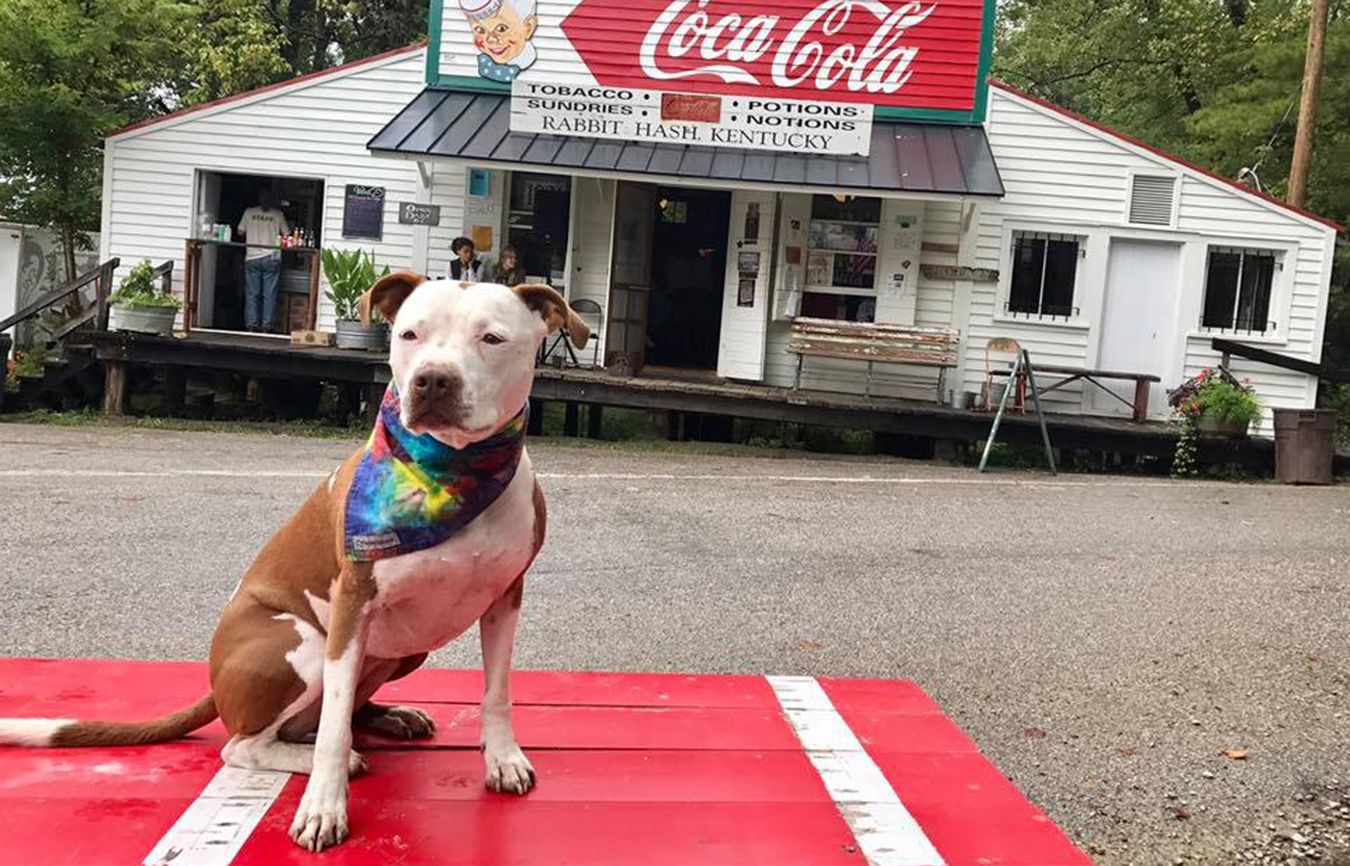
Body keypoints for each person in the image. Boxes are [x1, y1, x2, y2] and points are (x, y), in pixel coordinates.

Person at [237, 190, 289, 332]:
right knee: (269, 294)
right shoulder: (278, 215)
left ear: (259, 199)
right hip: (271, 257)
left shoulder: (249, 212)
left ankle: (251, 325)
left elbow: (240, 231)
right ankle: (267, 326)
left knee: (252, 293)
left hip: (252, 256)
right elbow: (287, 235)